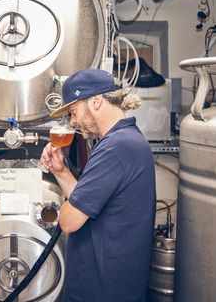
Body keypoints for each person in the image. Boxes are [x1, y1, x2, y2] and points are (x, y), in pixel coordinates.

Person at [41, 68, 156, 302]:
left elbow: (69, 221)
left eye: (74, 112)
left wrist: (61, 210)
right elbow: (90, 204)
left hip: (103, 290)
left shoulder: (116, 148)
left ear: (95, 101)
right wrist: (60, 172)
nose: (73, 121)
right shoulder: (123, 141)